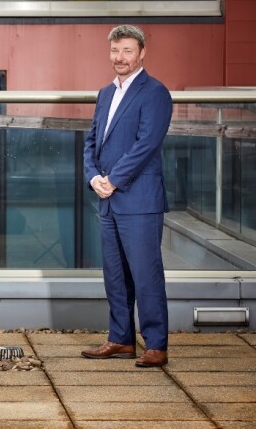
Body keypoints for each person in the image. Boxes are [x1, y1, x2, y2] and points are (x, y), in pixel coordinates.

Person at [82, 24, 173, 368]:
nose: (120, 58)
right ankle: (120, 339)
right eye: (115, 51)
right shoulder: (105, 93)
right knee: (115, 274)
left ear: (142, 53)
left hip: (139, 200)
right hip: (107, 198)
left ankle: (156, 345)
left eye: (127, 51)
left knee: (146, 273)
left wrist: (114, 179)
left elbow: (146, 145)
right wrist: (94, 178)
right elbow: (91, 141)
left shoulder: (155, 93)